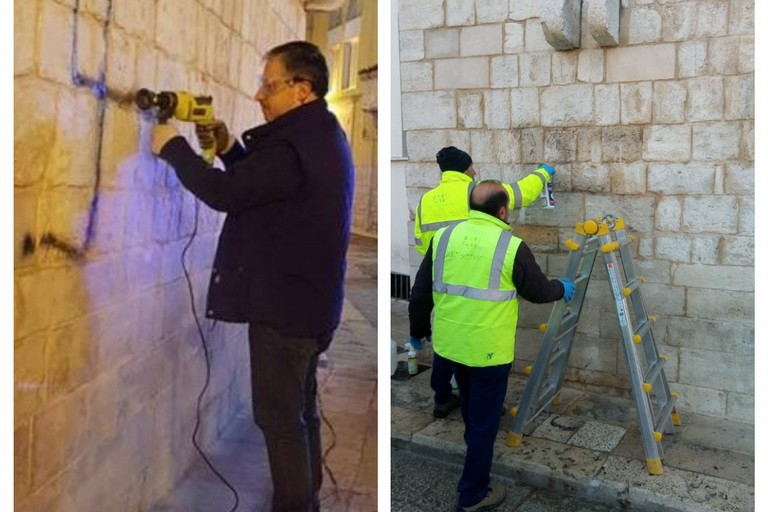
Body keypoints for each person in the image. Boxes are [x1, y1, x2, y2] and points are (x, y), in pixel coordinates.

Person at [150, 41, 354, 512]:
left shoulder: (292, 144)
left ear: (302, 90)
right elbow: (267, 185)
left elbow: (227, 194)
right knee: (301, 412)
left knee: (280, 421)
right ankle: (308, 498)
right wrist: (228, 147)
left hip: (285, 311)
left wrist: (173, 148)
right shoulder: (319, 132)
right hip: (312, 305)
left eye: (269, 84)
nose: (259, 95)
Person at [408, 180, 574, 512]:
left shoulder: (442, 238)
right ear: (501, 210)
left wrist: (417, 331)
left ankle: (473, 450)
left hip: (450, 345)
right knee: (484, 423)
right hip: (487, 352)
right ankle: (473, 495)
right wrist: (561, 287)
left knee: (472, 406)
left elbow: (420, 292)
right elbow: (538, 291)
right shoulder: (511, 246)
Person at [411, 146, 556, 419]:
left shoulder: (426, 200)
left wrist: (442, 260)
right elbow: (521, 192)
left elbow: (420, 241)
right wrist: (542, 173)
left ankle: (442, 398)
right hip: (478, 271)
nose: (475, 169)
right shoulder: (480, 191)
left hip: (440, 272)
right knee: (471, 344)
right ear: (466, 168)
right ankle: (481, 411)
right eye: (472, 165)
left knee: (446, 336)